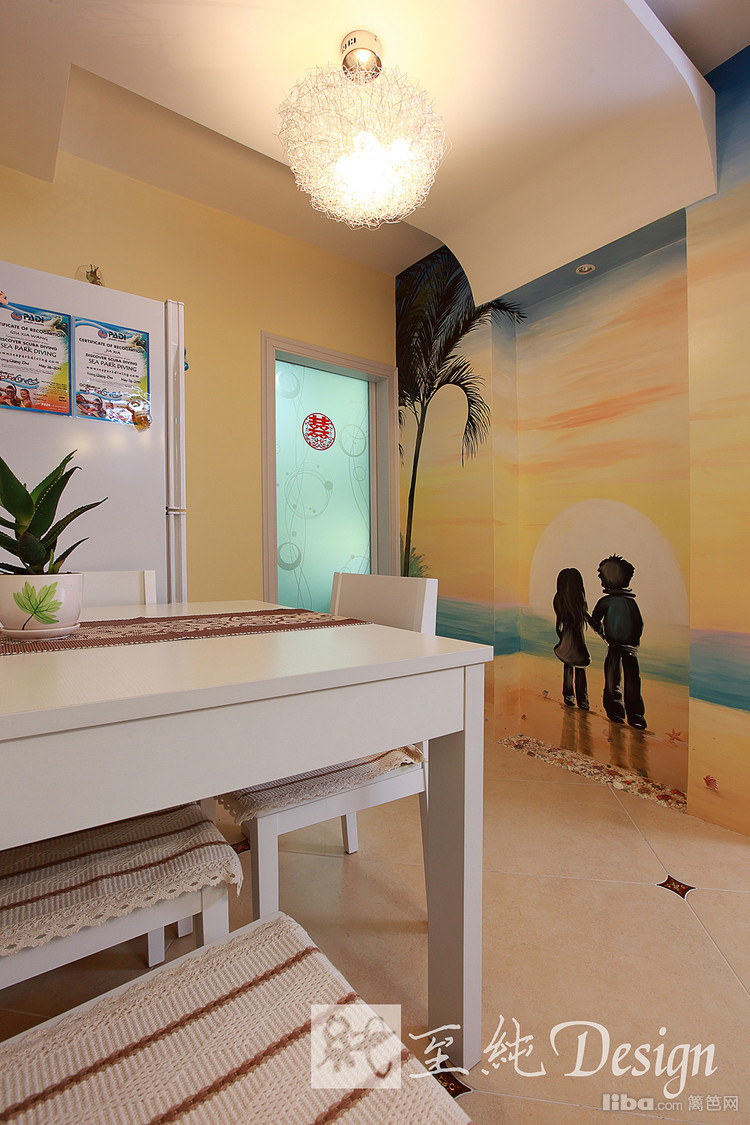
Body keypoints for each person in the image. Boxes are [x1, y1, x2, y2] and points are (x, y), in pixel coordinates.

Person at [590, 554, 646, 729]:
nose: (600, 578)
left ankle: (616, 712)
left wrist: (587, 617)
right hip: (630, 648)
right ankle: (636, 716)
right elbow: (638, 624)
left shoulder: (606, 602)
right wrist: (633, 641)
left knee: (613, 680)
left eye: (601, 575)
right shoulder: (630, 602)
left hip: (615, 647)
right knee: (632, 682)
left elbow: (595, 622)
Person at [553, 567, 592, 709]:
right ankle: (583, 701)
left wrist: (562, 638)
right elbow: (587, 618)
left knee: (568, 665)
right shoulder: (579, 602)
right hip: (578, 639)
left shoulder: (559, 600)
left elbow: (559, 625)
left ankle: (568, 696)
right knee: (580, 667)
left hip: (566, 637)